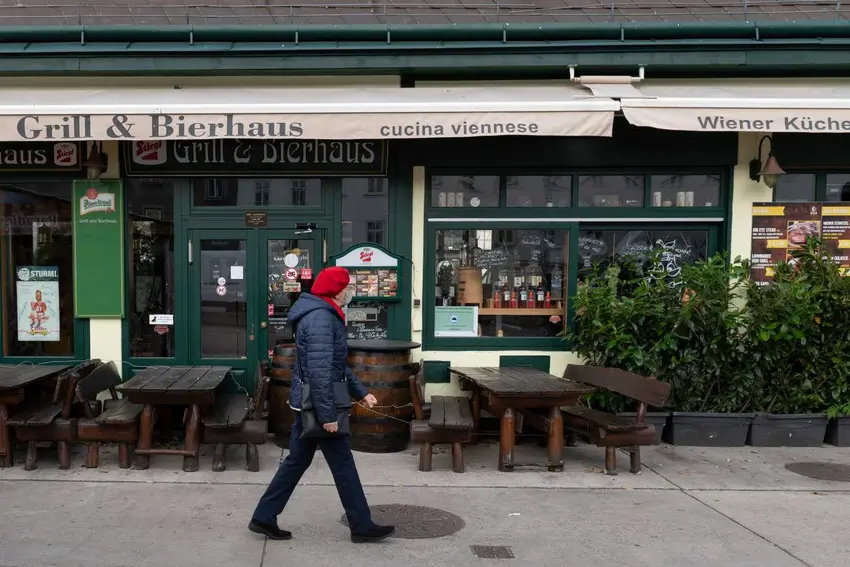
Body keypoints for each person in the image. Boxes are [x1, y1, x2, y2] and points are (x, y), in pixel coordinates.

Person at [249, 266, 395, 544]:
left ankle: (264, 516)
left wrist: (361, 393)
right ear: (336, 290)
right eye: (347, 287)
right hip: (319, 407)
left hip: (312, 405)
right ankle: (361, 525)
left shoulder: (323, 314)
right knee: (342, 464)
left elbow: (334, 365)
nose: (350, 291)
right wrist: (327, 415)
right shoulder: (321, 319)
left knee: (298, 461)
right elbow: (320, 372)